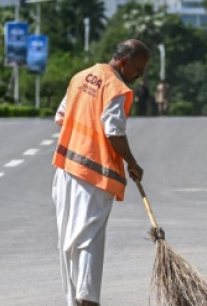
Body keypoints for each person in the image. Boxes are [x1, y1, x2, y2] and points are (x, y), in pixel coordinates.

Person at [51, 39, 150, 306]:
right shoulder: (115, 87)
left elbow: (61, 115)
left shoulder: (79, 77)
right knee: (90, 239)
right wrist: (131, 162)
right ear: (125, 62)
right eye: (139, 69)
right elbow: (114, 131)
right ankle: (88, 301)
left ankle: (74, 300)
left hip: (65, 169)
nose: (140, 76)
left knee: (69, 240)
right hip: (93, 176)